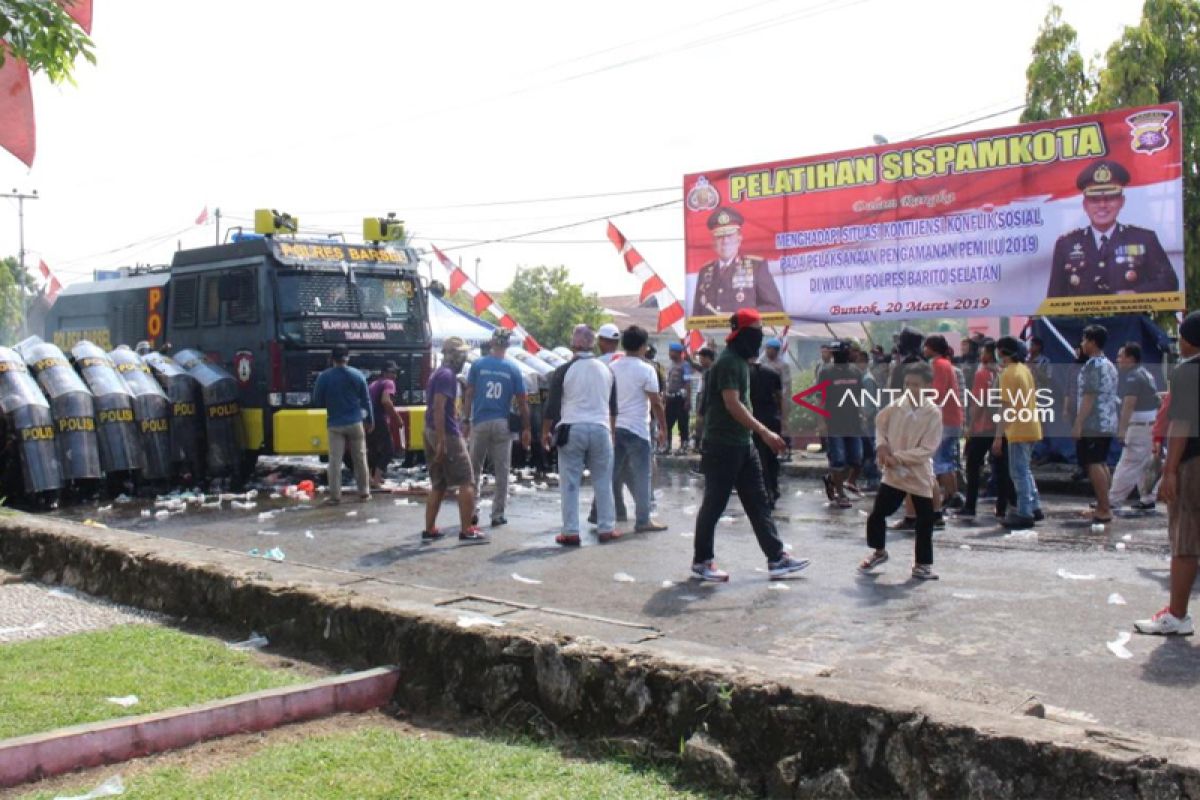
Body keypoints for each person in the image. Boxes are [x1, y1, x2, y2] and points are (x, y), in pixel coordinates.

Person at [689, 308, 811, 582]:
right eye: (756, 333)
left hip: (742, 444)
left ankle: (777, 558)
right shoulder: (730, 362)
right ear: (744, 335)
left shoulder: (740, 361)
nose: (759, 339)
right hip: (723, 444)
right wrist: (765, 432)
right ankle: (702, 561)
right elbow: (733, 404)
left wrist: (757, 435)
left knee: (758, 502)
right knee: (714, 504)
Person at [1134, 310, 1200, 636]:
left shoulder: (1189, 372)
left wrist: (1170, 471)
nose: (1179, 341)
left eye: (1182, 335)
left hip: (1193, 465)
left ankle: (1177, 615)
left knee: (1185, 541)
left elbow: (1182, 424)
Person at [1046, 159, 1180, 299]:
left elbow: (1169, 283)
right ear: (1085, 205)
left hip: (1131, 319)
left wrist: (1136, 294)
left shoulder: (1145, 239)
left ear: (1122, 201)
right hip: (1083, 321)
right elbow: (1054, 299)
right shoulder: (1066, 245)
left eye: (1110, 198)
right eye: (1095, 199)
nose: (1102, 205)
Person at [857, 362, 942, 581]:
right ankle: (879, 551)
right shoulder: (896, 406)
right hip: (894, 473)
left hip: (918, 473)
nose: (911, 388)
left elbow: (927, 449)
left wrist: (900, 458)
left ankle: (922, 564)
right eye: (908, 384)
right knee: (878, 514)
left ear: (927, 386)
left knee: (925, 520)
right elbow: (880, 425)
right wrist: (882, 446)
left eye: (916, 384)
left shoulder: (932, 412)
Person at [542, 324, 620, 546]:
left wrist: (545, 432)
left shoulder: (564, 370)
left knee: (570, 483)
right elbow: (613, 408)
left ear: (572, 346)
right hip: (601, 429)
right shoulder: (608, 370)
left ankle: (570, 531)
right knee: (603, 481)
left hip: (572, 429)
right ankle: (606, 528)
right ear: (593, 345)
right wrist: (611, 434)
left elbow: (552, 407)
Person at [463, 328, 530, 528]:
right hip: (503, 423)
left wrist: (465, 419)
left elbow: (469, 394)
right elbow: (522, 402)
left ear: (492, 343)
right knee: (502, 471)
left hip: (480, 421)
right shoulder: (513, 369)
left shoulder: (478, 365)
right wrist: (526, 428)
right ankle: (497, 514)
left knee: (474, 468)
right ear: (508, 345)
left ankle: (472, 510)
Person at [423, 337, 487, 543]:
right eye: (462, 354)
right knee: (467, 480)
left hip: (429, 430)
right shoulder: (447, 376)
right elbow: (439, 406)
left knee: (439, 483)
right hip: (447, 433)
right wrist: (442, 440)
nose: (464, 358)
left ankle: (430, 528)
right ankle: (467, 529)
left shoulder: (438, 374)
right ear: (454, 355)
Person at [610, 325, 669, 532]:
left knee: (610, 475)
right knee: (643, 476)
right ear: (643, 347)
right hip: (638, 430)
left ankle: (601, 517)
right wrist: (663, 427)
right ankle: (643, 521)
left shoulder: (613, 367)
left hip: (616, 429)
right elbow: (656, 402)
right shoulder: (647, 369)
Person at [691, 207, 785, 317]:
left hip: (746, 332)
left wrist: (741, 316)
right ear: (713, 242)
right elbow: (696, 315)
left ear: (739, 239)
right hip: (711, 334)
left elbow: (775, 308)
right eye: (720, 236)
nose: (725, 241)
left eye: (730, 235)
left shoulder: (756, 267)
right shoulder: (705, 271)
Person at [313, 344, 373, 505]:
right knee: (360, 458)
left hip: (335, 424)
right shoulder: (357, 375)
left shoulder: (324, 377)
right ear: (348, 358)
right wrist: (370, 420)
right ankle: (364, 493)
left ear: (332, 359)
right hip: (355, 423)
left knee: (335, 461)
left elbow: (317, 400)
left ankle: (335, 496)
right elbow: (366, 400)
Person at [995, 337, 1044, 530]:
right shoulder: (1024, 370)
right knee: (1025, 470)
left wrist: (998, 436)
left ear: (1001, 352)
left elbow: (1005, 406)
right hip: (1031, 425)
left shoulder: (1007, 374)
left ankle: (1025, 513)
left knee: (1018, 473)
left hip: (1017, 428)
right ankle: (1034, 506)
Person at [1108, 342, 1161, 513]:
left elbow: (1128, 405)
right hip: (1149, 426)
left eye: (1120, 357)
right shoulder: (1146, 374)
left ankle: (1113, 500)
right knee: (1146, 464)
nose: (1118, 360)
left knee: (1128, 464)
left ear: (1130, 359)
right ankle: (1148, 499)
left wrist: (1122, 430)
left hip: (1139, 427)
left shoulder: (1133, 377)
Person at [1075, 324, 1120, 523]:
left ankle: (1103, 509)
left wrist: (1078, 423)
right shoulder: (1108, 364)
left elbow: (1089, 396)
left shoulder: (1094, 365)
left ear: (1093, 342)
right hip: (1107, 420)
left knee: (1094, 464)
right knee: (1101, 463)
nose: (1082, 344)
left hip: (1094, 422)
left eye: (1085, 340)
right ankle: (1104, 505)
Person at [817, 340, 864, 509]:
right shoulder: (826, 372)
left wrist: (862, 413)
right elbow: (821, 398)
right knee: (838, 460)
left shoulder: (855, 372)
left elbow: (859, 396)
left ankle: (832, 480)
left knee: (856, 459)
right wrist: (821, 421)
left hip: (853, 422)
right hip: (834, 422)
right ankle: (840, 494)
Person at [925, 335, 964, 512]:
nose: (924, 349)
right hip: (952, 417)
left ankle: (950, 495)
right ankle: (952, 494)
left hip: (945, 419)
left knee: (941, 460)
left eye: (926, 346)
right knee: (947, 459)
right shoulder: (945, 364)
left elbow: (937, 393)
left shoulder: (938, 365)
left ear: (932, 348)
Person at [960, 340, 998, 519]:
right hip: (997, 425)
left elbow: (978, 401)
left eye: (984, 351)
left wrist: (970, 425)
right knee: (1000, 466)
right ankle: (1003, 505)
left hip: (982, 425)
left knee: (973, 465)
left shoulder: (982, 374)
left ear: (990, 354)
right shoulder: (999, 373)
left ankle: (970, 505)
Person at [749, 353, 784, 509]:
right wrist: (783, 418)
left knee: (759, 458)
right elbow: (780, 398)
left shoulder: (745, 374)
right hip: (771, 419)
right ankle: (773, 489)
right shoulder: (772, 373)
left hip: (754, 420)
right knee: (771, 457)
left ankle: (766, 491)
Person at [366, 361, 405, 488]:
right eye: (392, 372)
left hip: (369, 420)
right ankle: (376, 480)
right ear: (385, 373)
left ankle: (371, 478)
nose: (395, 375)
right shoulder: (389, 383)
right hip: (380, 420)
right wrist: (397, 418)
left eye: (395, 372)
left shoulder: (373, 384)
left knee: (373, 450)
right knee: (388, 451)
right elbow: (386, 401)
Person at [664, 343, 693, 454]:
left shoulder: (685, 365)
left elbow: (687, 383)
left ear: (678, 353)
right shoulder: (671, 365)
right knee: (667, 423)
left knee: (683, 424)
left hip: (681, 399)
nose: (670, 353)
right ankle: (667, 446)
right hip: (670, 399)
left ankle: (684, 446)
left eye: (672, 351)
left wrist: (687, 400)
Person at [692, 347, 716, 451]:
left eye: (701, 358)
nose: (700, 360)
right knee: (699, 423)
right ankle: (698, 445)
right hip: (701, 397)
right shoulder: (704, 369)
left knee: (707, 423)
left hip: (709, 400)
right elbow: (692, 363)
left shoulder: (714, 370)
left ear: (707, 358)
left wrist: (702, 408)